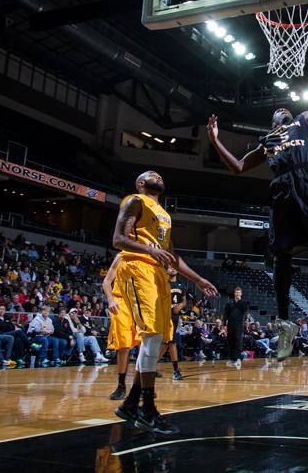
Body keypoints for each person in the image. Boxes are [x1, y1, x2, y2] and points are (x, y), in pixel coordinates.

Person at [206, 68, 308, 354]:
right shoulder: (268, 141)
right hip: (283, 195)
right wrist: (215, 141)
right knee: (282, 257)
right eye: (277, 111)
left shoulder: (305, 120)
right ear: (271, 122)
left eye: (285, 108)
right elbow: (237, 167)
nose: (283, 109)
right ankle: (284, 323)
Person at [111, 171, 217, 435]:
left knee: (157, 340)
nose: (157, 175)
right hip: (136, 267)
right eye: (150, 175)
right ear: (140, 183)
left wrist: (199, 279)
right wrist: (149, 249)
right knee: (152, 337)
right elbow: (118, 239)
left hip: (158, 274)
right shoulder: (135, 200)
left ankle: (131, 404)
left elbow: (172, 256)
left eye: (158, 174)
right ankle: (148, 410)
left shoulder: (164, 214)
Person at [103, 254, 138, 400]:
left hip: (139, 304)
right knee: (124, 345)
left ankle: (140, 386)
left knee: (144, 345)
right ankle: (121, 385)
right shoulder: (120, 256)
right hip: (120, 302)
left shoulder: (147, 257)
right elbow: (106, 282)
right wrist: (110, 299)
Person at [224, 287, 250, 369]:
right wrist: (224, 325)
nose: (237, 294)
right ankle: (232, 359)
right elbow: (225, 314)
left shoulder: (243, 303)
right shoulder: (229, 303)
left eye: (239, 293)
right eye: (236, 292)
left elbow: (245, 311)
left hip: (239, 325)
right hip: (230, 325)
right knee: (231, 341)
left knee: (238, 342)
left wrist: (239, 301)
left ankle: (238, 359)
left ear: (241, 294)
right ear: (234, 293)